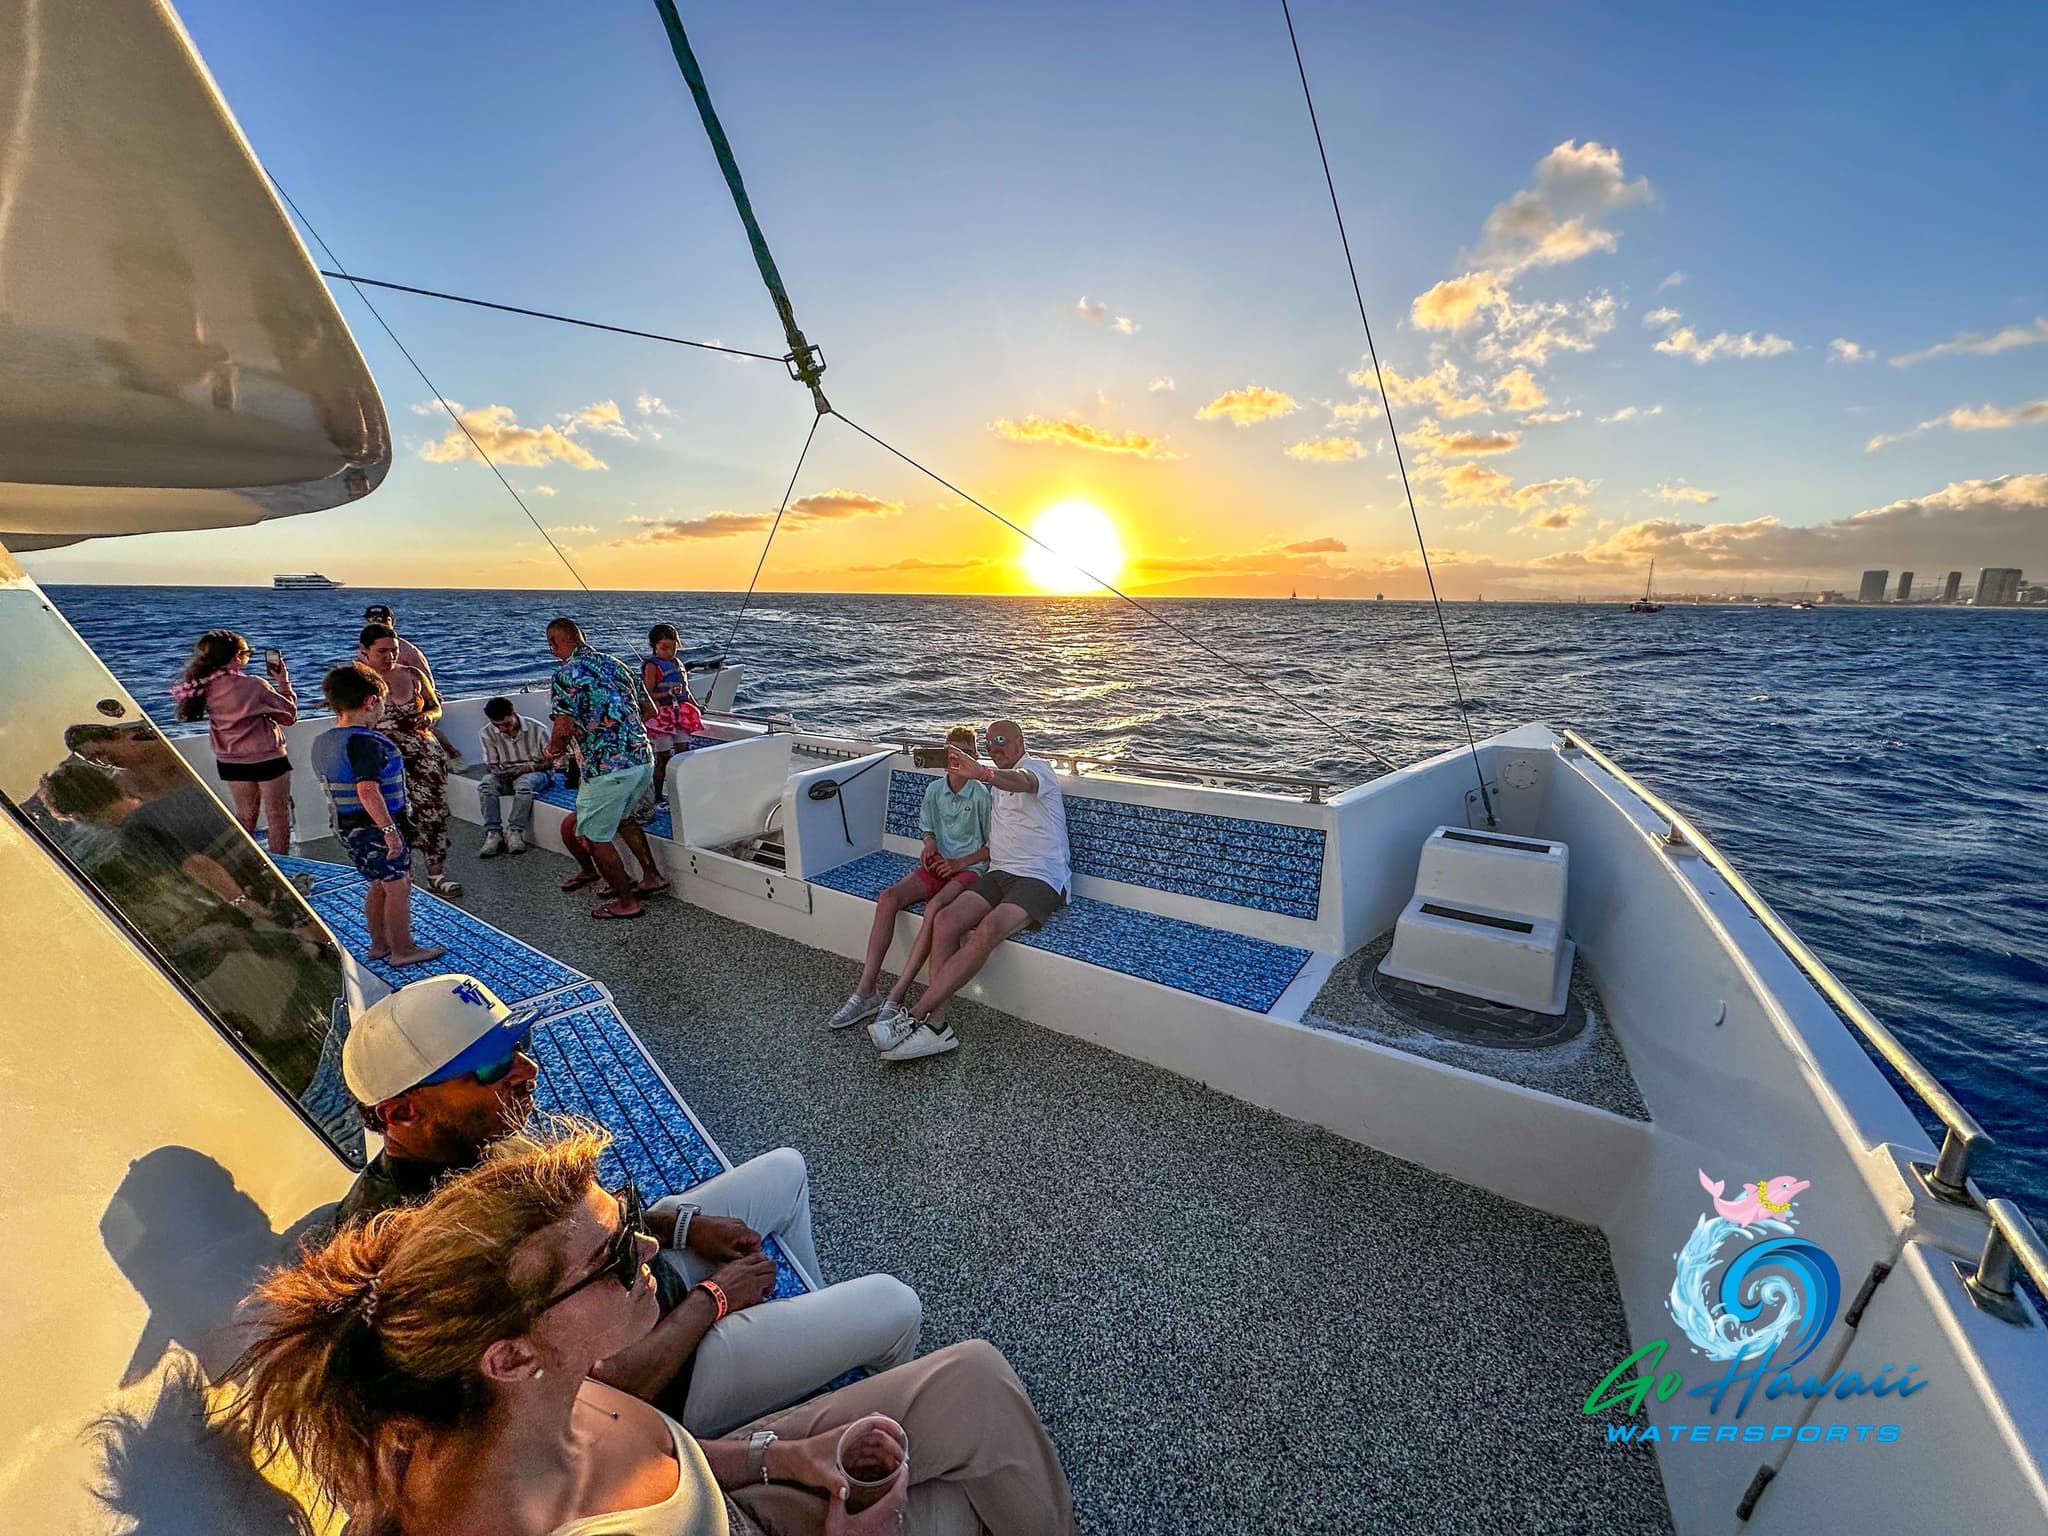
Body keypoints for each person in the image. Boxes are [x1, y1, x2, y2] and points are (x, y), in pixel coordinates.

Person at [231, 1124, 1077, 1536]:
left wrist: (784, 1457)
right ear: (510, 1353)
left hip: (743, 1489)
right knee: (968, 1477)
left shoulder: (527, 1402)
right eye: (611, 1262)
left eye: (627, 1223)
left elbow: (663, 1450)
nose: (642, 1253)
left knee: (972, 1377)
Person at [334, 973, 924, 1439]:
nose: (528, 1070)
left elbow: (599, 1226)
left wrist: (685, 1225)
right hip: (662, 1376)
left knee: (787, 1171)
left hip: (645, 1290)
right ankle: (875, 1399)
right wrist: (715, 1299)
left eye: (520, 1045)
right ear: (401, 1113)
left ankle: (809, 1342)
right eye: (490, 1067)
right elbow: (594, 1395)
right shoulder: (426, 1253)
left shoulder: (479, 1139)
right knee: (895, 1305)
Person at [870, 720, 1068, 1063]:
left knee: (988, 929)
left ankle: (916, 1016)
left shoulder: (1038, 769)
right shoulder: (990, 785)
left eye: (1003, 740)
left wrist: (985, 773)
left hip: (1039, 879)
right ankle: (938, 1026)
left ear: (1021, 741)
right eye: (990, 743)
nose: (996, 747)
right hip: (1000, 873)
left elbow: (1022, 782)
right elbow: (953, 786)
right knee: (945, 921)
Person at [823, 725, 990, 1034]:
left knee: (934, 909)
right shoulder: (934, 792)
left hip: (968, 869)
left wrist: (958, 863)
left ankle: (898, 993)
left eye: (964, 753)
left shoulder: (982, 795)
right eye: (951, 753)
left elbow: (992, 847)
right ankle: (866, 991)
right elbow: (928, 831)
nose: (956, 760)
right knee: (888, 898)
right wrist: (929, 847)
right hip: (939, 864)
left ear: (975, 756)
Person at [310, 665, 445, 968]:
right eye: (382, 702)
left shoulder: (326, 740)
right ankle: (403, 949)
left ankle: (379, 945)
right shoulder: (366, 742)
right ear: (371, 702)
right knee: (398, 883)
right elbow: (368, 790)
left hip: (347, 827)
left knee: (378, 882)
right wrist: (390, 831)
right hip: (374, 827)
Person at [545, 618, 667, 919]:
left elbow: (563, 727)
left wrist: (551, 752)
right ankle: (652, 877)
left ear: (553, 644)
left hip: (606, 768)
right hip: (641, 759)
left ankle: (627, 901)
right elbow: (650, 709)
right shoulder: (618, 664)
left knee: (593, 837)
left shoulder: (565, 674)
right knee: (625, 820)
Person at [171, 628, 298, 854]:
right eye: (247, 653)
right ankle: (283, 868)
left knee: (245, 817)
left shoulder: (204, 687)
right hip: (268, 758)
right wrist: (284, 683)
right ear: (236, 657)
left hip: (231, 762)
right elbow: (289, 716)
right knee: (277, 816)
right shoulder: (254, 685)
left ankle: (242, 862)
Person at [359, 622, 462, 899]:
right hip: (383, 763)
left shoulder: (413, 674)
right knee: (389, 818)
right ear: (364, 651)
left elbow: (435, 707)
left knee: (433, 814)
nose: (389, 657)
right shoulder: (358, 682)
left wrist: (429, 717)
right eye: (381, 651)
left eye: (393, 651)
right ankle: (399, 876)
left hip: (425, 758)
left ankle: (436, 874)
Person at [476, 696, 555, 858]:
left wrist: (526, 768)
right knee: (486, 784)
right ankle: (493, 832)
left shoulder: (538, 729)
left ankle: (515, 831)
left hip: (537, 772)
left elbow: (552, 762)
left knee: (524, 784)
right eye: (497, 726)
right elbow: (491, 764)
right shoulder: (486, 733)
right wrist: (497, 772)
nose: (503, 729)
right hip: (506, 773)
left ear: (514, 714)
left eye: (506, 724)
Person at [641, 623, 702, 808]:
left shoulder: (677, 663)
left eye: (673, 648)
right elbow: (646, 693)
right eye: (664, 648)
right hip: (662, 717)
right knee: (663, 756)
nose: (670, 652)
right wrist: (668, 694)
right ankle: (658, 795)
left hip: (680, 714)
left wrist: (696, 706)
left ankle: (681, 792)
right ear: (655, 647)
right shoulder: (652, 666)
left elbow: (686, 690)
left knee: (683, 752)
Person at [361, 601, 435, 687]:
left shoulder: (408, 651)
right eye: (370, 620)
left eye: (380, 620)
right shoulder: (365, 648)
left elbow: (426, 681)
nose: (375, 624)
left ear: (390, 621)